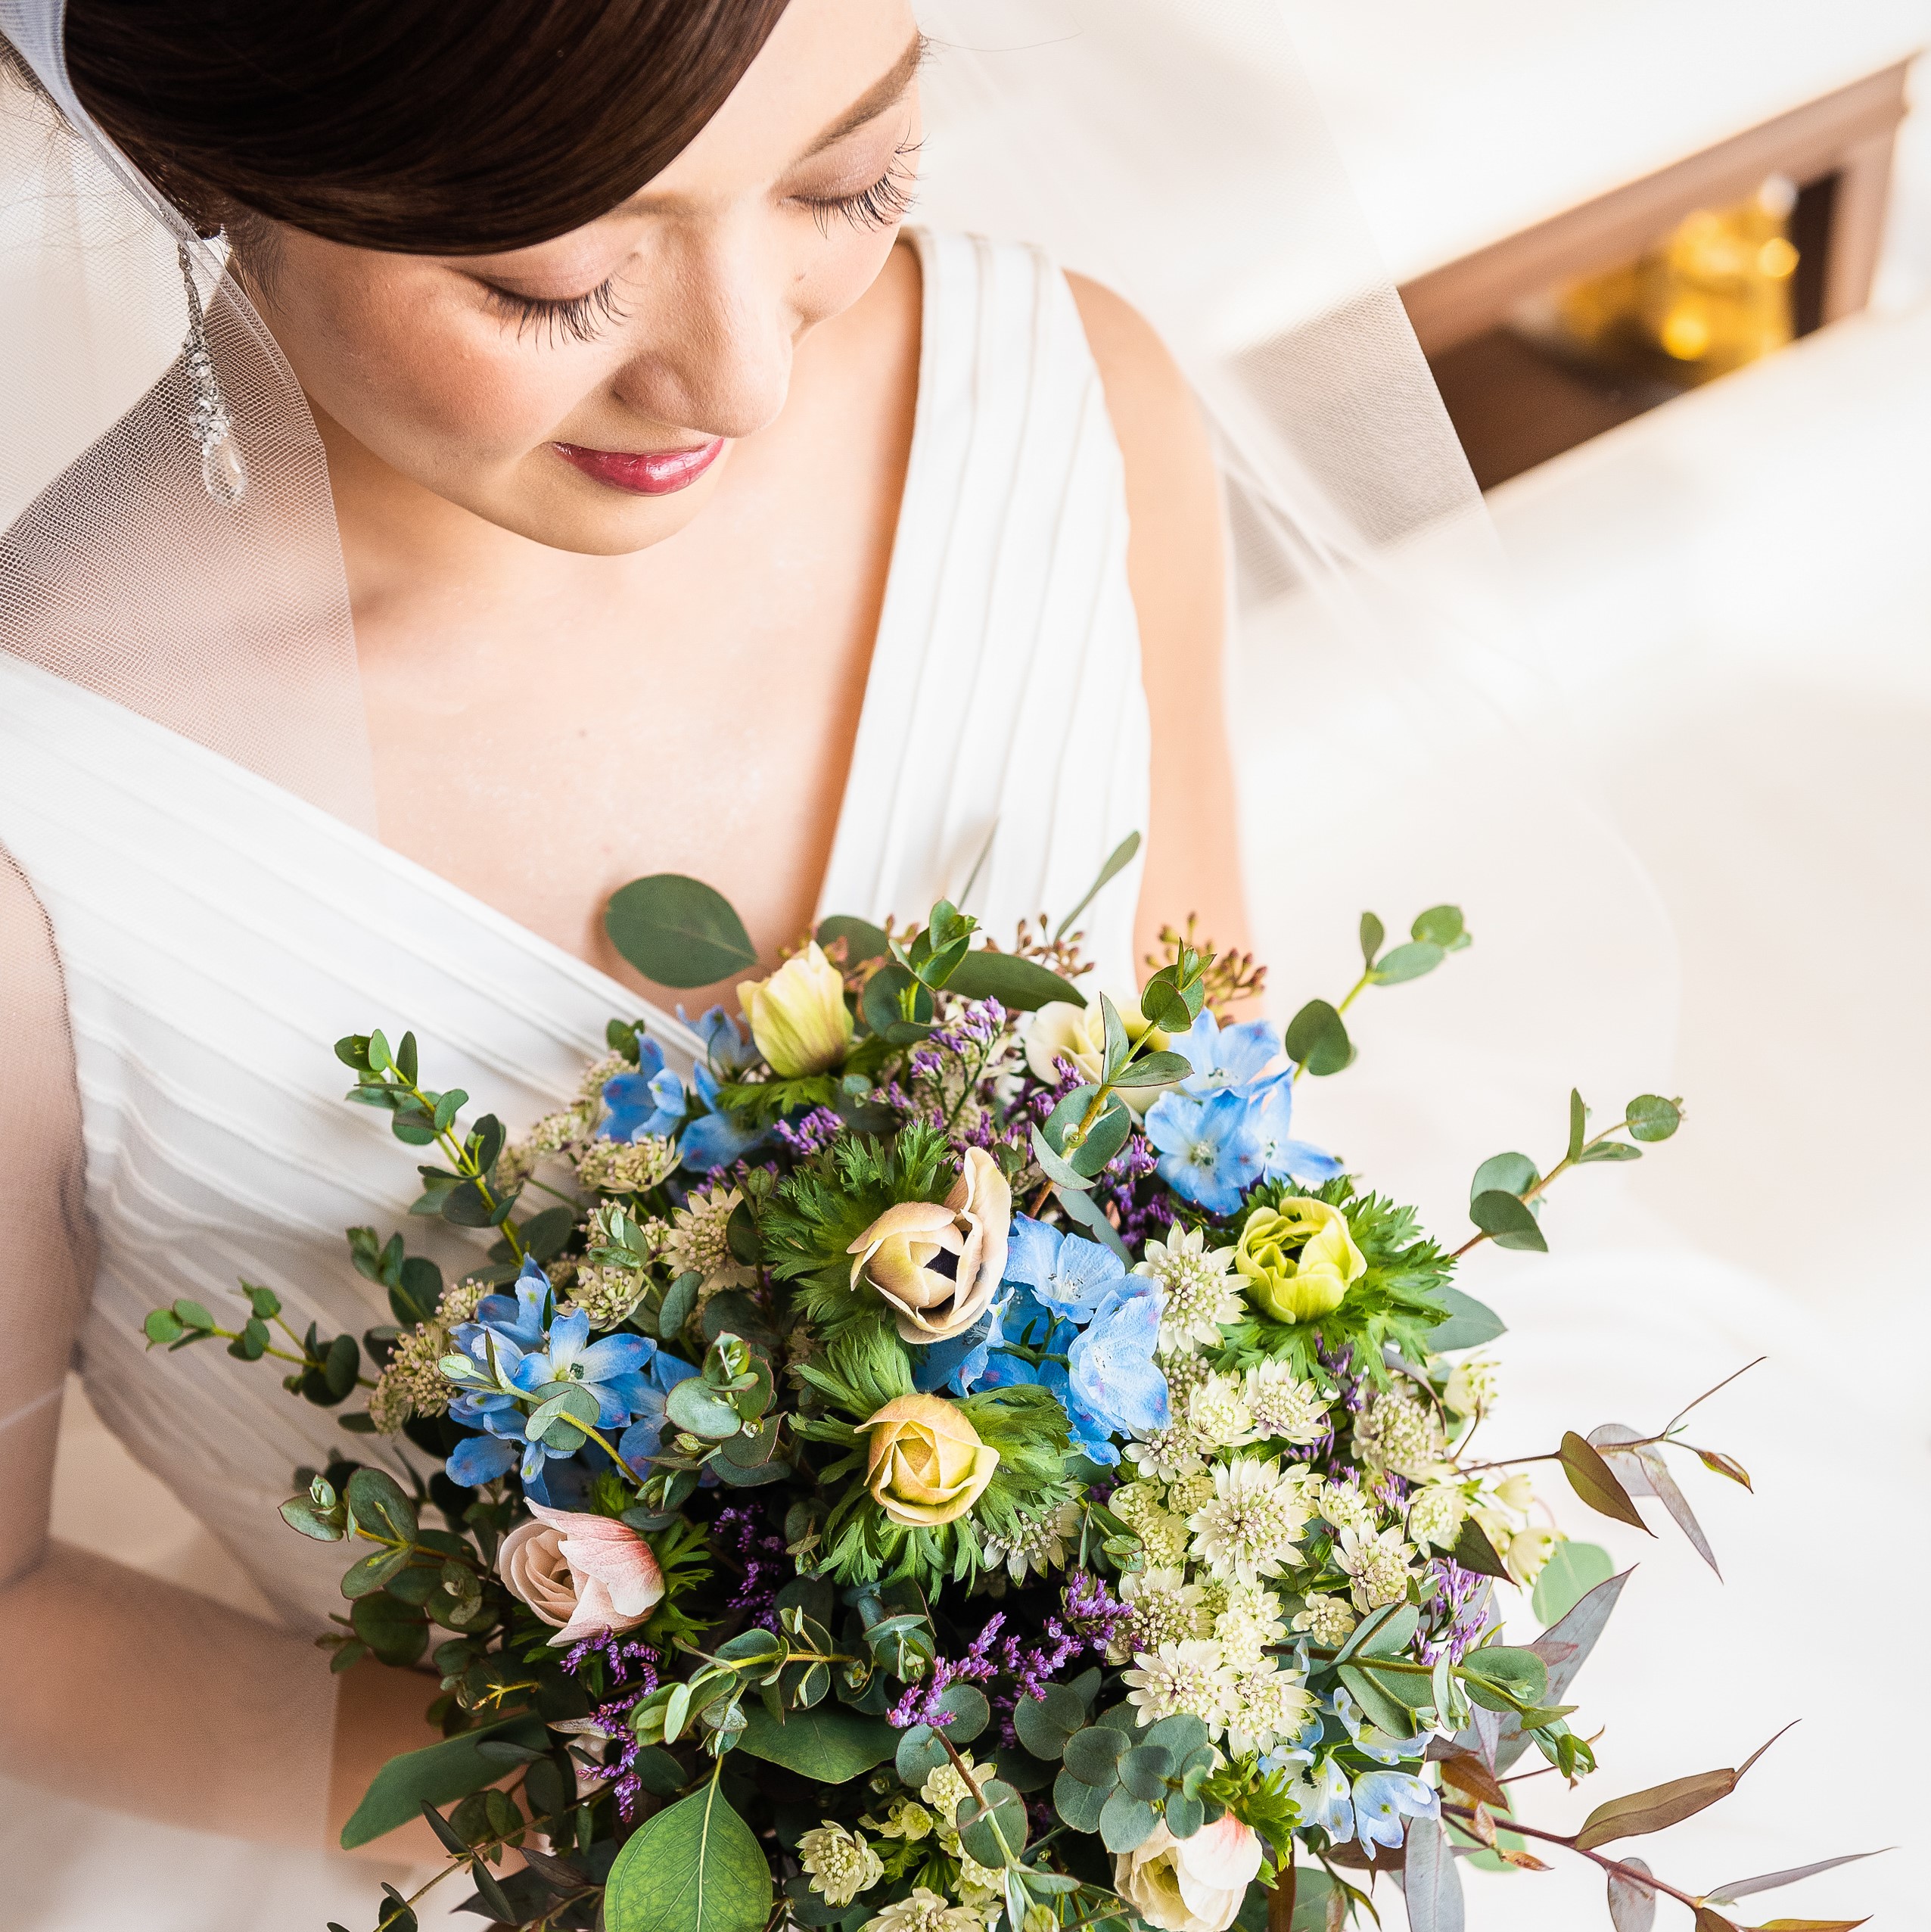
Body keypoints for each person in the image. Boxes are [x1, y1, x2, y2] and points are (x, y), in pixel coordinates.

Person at [0, 0, 1254, 1886]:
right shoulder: (38, 820)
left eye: (850, 183)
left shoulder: (1059, 393)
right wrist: (688, 1837)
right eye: (557, 283)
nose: (740, 378)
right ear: (210, 163)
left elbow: (1223, 1113)